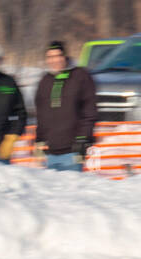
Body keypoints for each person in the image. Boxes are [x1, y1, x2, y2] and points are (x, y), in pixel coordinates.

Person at [35, 41, 97, 172]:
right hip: (51, 153)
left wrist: (83, 139)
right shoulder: (45, 81)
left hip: (73, 152)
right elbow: (41, 114)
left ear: (65, 56)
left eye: (57, 56)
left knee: (72, 192)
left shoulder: (81, 76)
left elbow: (90, 112)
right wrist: (39, 140)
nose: (54, 60)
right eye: (50, 57)